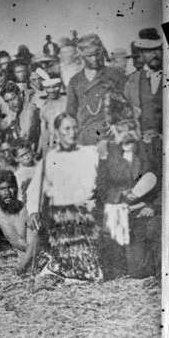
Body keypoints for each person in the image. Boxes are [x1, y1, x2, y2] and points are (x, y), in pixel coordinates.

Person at [26, 113, 104, 284]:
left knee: (93, 274)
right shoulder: (51, 158)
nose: (72, 132)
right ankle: (60, 268)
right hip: (60, 216)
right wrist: (33, 211)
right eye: (67, 128)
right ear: (58, 132)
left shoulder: (90, 153)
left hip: (87, 214)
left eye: (75, 127)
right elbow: (34, 189)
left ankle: (73, 273)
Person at [98, 118, 160, 279]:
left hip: (141, 212)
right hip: (117, 209)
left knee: (139, 271)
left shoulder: (149, 152)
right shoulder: (110, 154)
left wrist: (152, 206)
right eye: (121, 131)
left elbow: (160, 183)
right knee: (115, 268)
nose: (126, 135)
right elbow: (102, 185)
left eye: (130, 130)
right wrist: (121, 195)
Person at [65, 34, 123, 146]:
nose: (95, 59)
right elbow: (70, 114)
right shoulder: (75, 81)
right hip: (85, 139)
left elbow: (128, 108)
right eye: (89, 56)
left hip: (112, 138)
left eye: (97, 54)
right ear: (82, 57)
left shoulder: (115, 75)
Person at [123, 27, 164, 137]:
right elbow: (125, 117)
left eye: (158, 49)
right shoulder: (131, 82)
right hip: (141, 147)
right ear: (141, 54)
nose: (154, 54)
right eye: (148, 51)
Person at [0, 82, 41, 148]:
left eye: (13, 98)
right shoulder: (18, 112)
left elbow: (26, 139)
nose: (11, 104)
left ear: (20, 95)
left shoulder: (31, 111)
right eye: (7, 101)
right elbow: (2, 125)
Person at [37, 75, 67, 153]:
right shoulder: (44, 108)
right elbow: (43, 133)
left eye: (55, 87)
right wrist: (39, 151)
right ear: (44, 89)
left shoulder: (68, 102)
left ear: (60, 86)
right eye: (48, 87)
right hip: (54, 146)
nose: (52, 90)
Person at [11, 138, 38, 205]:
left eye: (27, 153)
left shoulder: (41, 166)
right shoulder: (17, 175)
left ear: (32, 150)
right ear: (16, 158)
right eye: (22, 156)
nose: (26, 157)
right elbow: (19, 196)